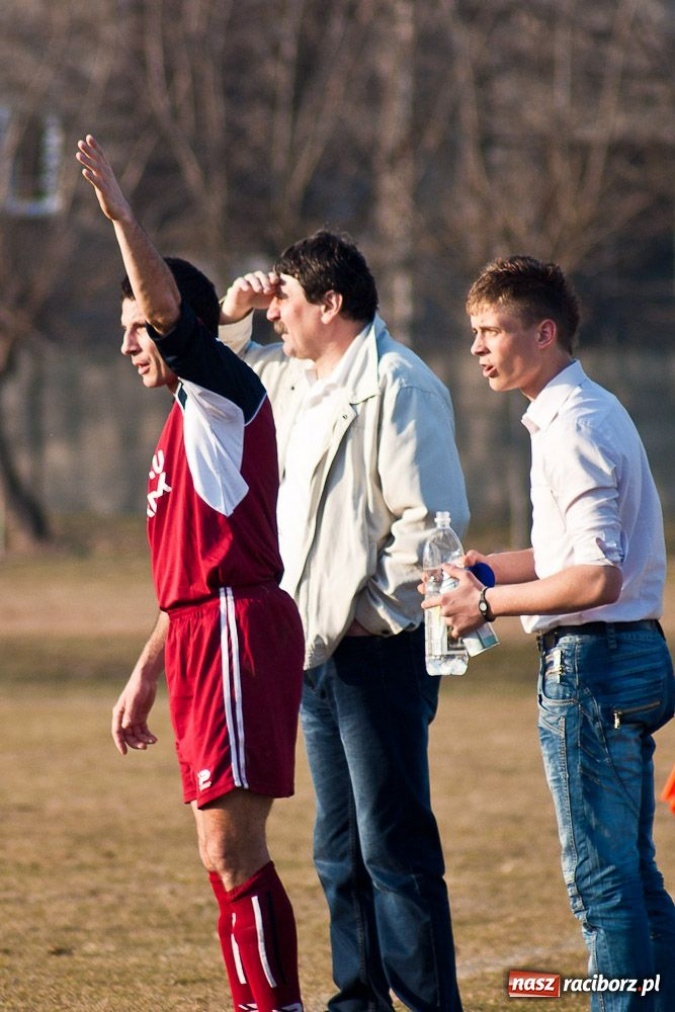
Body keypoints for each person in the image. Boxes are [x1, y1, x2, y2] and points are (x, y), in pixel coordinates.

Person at [76, 134, 305, 1012]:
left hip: (238, 632)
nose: (129, 345)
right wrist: (145, 673)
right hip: (205, 632)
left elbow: (172, 310)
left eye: (134, 328)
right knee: (223, 854)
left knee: (232, 850)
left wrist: (123, 217)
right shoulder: (182, 419)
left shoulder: (219, 395)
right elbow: (186, 577)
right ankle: (264, 1001)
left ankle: (268, 1005)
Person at [218, 232, 469, 1012]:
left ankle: (428, 1003)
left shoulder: (399, 383)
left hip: (376, 652)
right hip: (314, 656)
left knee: (392, 847)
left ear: (330, 305)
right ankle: (357, 1001)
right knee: (338, 850)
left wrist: (366, 615)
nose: (276, 315)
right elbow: (219, 383)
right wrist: (232, 315)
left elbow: (431, 525)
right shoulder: (295, 379)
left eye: (287, 300)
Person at [427, 254, 675, 1011]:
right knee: (632, 877)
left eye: (490, 330)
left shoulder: (572, 424)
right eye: (472, 332)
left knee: (602, 889)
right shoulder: (580, 410)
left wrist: (486, 609)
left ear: (542, 332)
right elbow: (569, 556)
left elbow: (594, 578)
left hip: (594, 667)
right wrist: (487, 571)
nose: (476, 347)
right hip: (626, 656)